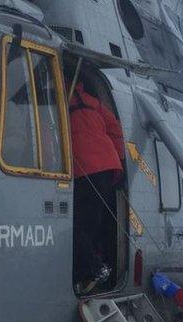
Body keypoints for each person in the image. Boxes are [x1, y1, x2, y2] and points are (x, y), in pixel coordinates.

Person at [67, 76, 125, 293]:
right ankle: (97, 264)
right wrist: (118, 162)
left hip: (83, 167)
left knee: (75, 225)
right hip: (107, 166)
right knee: (95, 223)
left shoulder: (56, 101)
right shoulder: (93, 101)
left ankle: (94, 268)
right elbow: (116, 131)